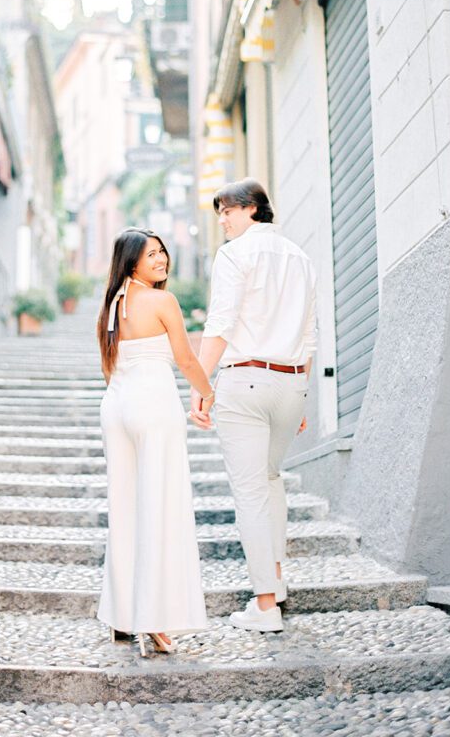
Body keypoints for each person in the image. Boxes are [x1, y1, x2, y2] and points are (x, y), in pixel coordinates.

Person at [190, 179, 317, 633]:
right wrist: (300, 390)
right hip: (291, 382)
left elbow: (220, 323)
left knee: (250, 492)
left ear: (251, 209)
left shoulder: (235, 254)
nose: (222, 221)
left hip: (245, 379)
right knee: (270, 479)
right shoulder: (300, 257)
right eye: (219, 213)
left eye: (227, 211)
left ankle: (265, 606)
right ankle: (276, 581)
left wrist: (200, 385)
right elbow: (308, 333)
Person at [96, 227, 214, 656]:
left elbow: (109, 366)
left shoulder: (113, 304)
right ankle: (156, 619)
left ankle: (121, 616)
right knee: (160, 509)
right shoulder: (161, 301)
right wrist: (208, 391)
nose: (162, 260)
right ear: (132, 263)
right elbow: (185, 358)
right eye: (152, 255)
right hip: (152, 402)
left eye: (163, 252)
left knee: (125, 511)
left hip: (117, 406)